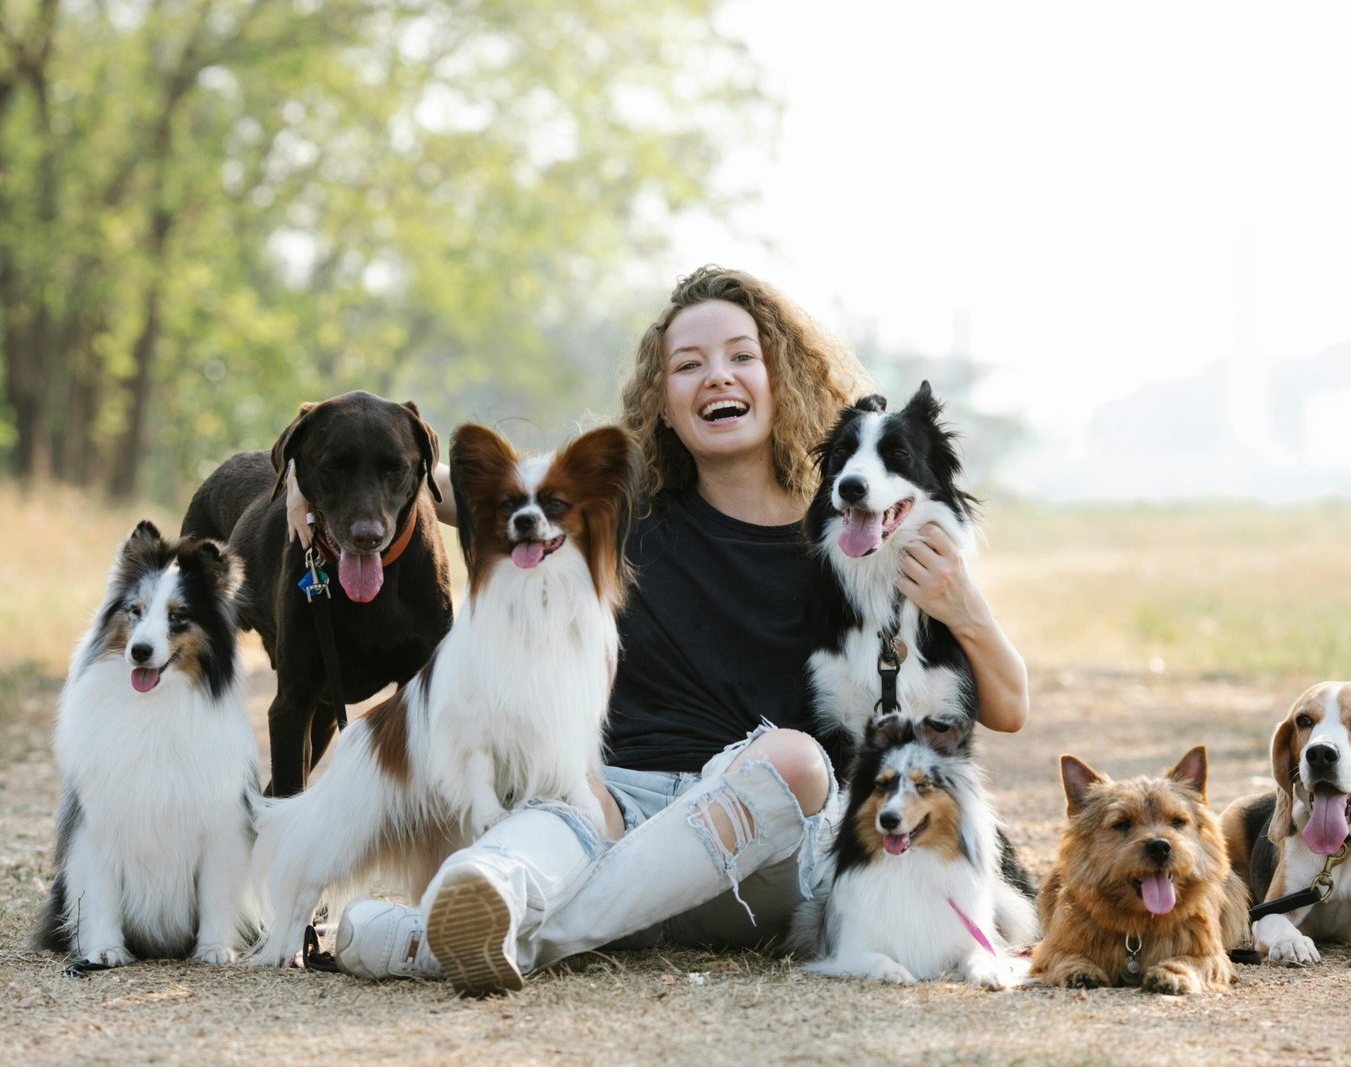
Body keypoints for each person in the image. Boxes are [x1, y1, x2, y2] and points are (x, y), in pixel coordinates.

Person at [326, 266, 1030, 994]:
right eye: (688, 365)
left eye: (739, 356)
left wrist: (964, 604)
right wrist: (310, 489)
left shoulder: (848, 536)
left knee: (795, 760)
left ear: (778, 376)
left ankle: (432, 939)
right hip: (617, 807)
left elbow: (1007, 707)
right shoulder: (616, 516)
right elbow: (429, 481)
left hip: (766, 839)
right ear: (661, 402)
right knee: (565, 795)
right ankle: (484, 897)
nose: (716, 376)